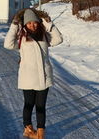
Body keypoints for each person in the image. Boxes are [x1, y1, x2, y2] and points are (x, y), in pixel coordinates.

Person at [4, 8, 63, 139]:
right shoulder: (21, 37)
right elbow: (8, 44)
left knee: (41, 106)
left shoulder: (44, 36)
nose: (33, 25)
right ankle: (28, 129)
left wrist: (49, 24)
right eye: (29, 23)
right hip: (28, 77)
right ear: (25, 24)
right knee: (29, 104)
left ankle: (41, 133)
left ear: (39, 22)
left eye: (35, 22)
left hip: (43, 76)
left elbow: (58, 39)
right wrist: (14, 26)